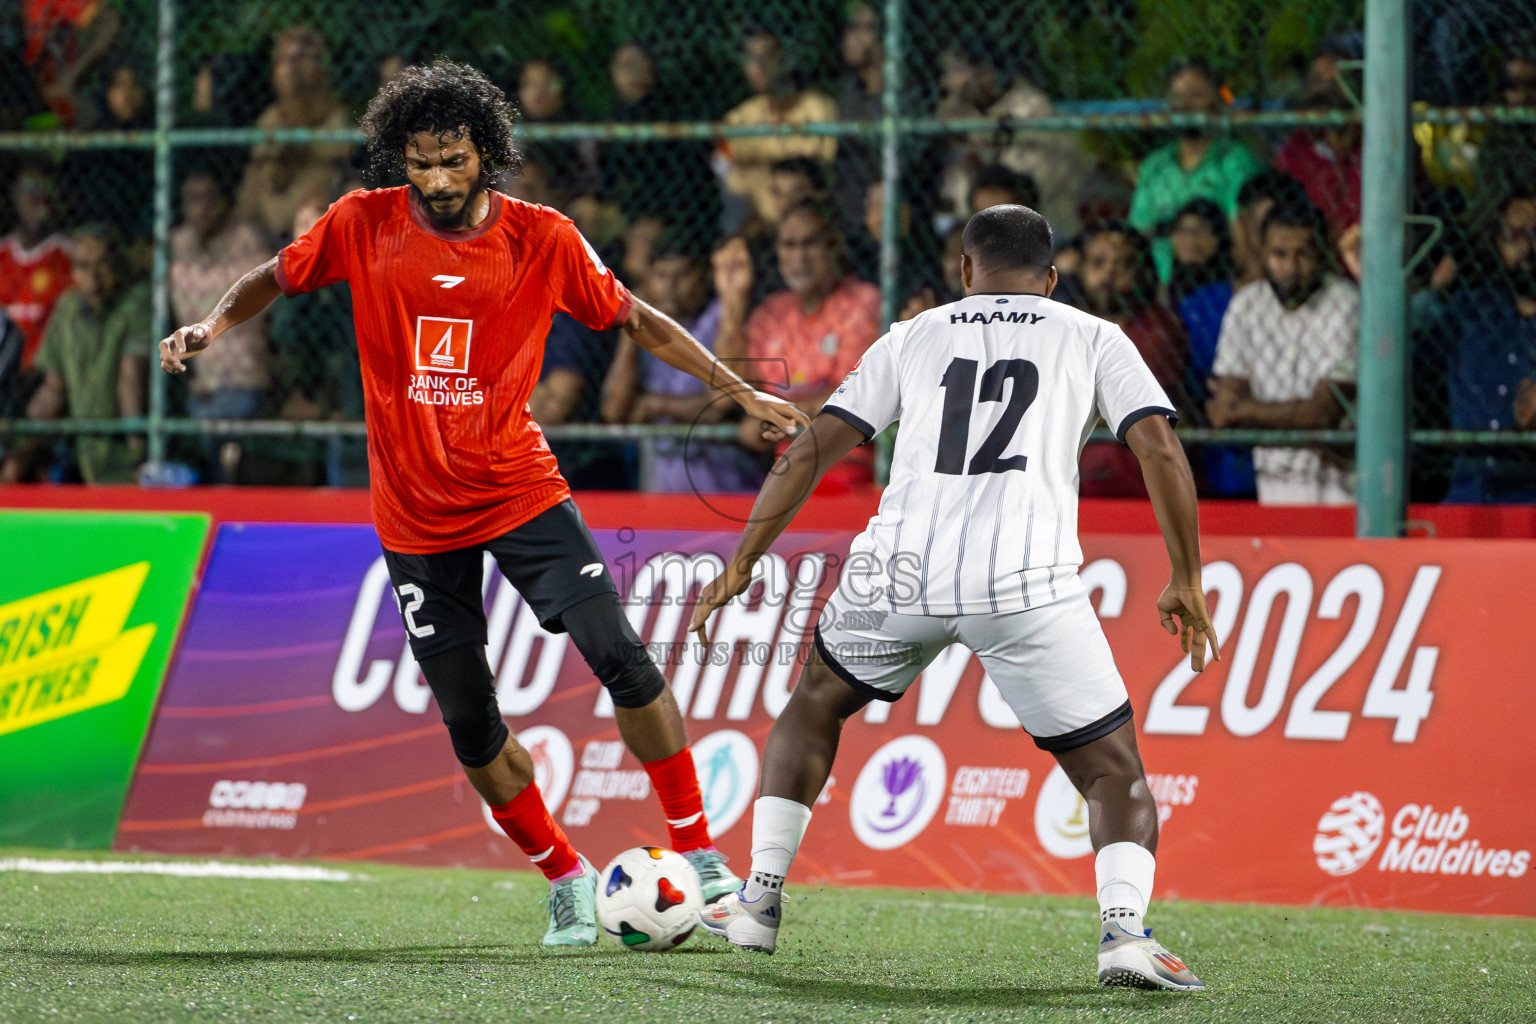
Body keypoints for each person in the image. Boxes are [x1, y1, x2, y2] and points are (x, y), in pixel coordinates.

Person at [157, 60, 807, 946]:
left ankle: (697, 854)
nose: (435, 181)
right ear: (401, 158)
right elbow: (273, 274)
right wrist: (211, 327)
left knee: (619, 652)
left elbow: (637, 320)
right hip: (414, 519)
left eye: (453, 161)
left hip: (518, 490)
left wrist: (738, 392)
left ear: (488, 153)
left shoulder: (543, 237)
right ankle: (565, 878)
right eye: (420, 162)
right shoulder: (362, 223)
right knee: (471, 724)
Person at [691, 204, 1215, 992]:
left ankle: (757, 902)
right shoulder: (1094, 335)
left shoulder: (915, 334)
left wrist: (743, 559)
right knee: (1114, 774)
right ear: (1051, 277)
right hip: (1024, 580)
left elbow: (808, 447)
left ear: (965, 270)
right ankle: (1124, 936)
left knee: (815, 702)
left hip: (901, 569)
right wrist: (1187, 577)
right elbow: (1158, 447)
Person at [1207, 199, 1358, 505]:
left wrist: (1246, 410)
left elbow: (1321, 413)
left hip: (1342, 489)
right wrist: (1301, 420)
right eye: (1280, 255)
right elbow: (1222, 413)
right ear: (1261, 254)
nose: (1291, 267)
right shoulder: (1246, 306)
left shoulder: (1346, 303)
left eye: (1304, 254)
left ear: (1322, 254)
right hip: (1271, 485)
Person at [727, 201, 881, 492]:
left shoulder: (862, 303)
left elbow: (847, 397)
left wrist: (768, 417)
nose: (799, 257)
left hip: (851, 474)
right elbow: (730, 395)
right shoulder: (769, 315)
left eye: (810, 244)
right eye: (789, 245)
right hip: (785, 479)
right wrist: (732, 300)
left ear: (833, 247)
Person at [600, 234, 766, 494]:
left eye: (682, 275)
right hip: (663, 485)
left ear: (703, 277)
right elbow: (614, 409)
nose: (671, 286)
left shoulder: (720, 319)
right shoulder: (648, 325)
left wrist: (655, 405)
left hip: (724, 481)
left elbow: (719, 404)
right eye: (661, 276)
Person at [3, 224, 147, 484]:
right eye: (82, 266)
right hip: (88, 453)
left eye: (102, 265)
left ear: (117, 265)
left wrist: (141, 452)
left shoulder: (137, 302)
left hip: (133, 451)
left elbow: (130, 377)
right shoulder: (68, 308)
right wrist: (20, 455)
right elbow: (53, 388)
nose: (93, 277)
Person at [1072, 220, 1190, 497]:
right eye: (1098, 263)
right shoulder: (1065, 326)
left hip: (1135, 474)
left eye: (1123, 264)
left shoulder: (1157, 329)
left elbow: (1136, 406)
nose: (1109, 274)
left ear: (1140, 273)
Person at [1437, 191, 1536, 502]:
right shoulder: (1470, 312)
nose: (1529, 249)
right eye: (1515, 236)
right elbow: (1407, 357)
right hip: (1470, 494)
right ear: (1497, 244)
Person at [1128, 59, 1264, 282]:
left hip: (1215, 281)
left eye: (1196, 94)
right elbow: (1138, 231)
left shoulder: (1234, 161)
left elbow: (1243, 239)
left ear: (1218, 101)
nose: (1185, 104)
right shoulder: (1155, 165)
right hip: (1156, 285)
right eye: (1177, 96)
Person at [233, 25, 352, 244]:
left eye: (300, 59)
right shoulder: (270, 119)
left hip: (311, 221)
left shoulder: (336, 119)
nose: (292, 69)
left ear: (320, 65)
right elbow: (266, 177)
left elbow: (333, 171)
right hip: (265, 222)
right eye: (283, 61)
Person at [717, 27, 837, 231]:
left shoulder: (818, 109)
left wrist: (755, 169)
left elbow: (817, 173)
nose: (759, 66)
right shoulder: (739, 118)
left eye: (768, 55)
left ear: (785, 59)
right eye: (751, 58)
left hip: (808, 221)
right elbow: (726, 173)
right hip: (757, 221)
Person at [0, 163, 73, 369]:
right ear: (14, 195)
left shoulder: (68, 253)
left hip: (44, 367)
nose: (38, 196)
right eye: (29, 187)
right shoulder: (2, 252)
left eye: (46, 187)